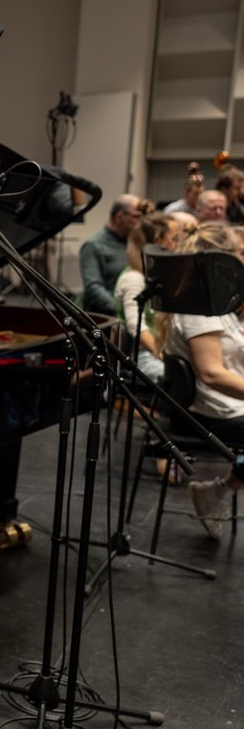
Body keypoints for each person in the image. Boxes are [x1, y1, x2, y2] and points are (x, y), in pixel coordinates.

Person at [156, 223, 244, 540]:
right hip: (208, 412)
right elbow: (211, 373)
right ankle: (219, 491)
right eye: (240, 252)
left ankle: (218, 491)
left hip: (223, 404)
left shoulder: (213, 300)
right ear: (221, 258)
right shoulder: (198, 309)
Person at [114, 214, 174, 383]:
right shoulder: (134, 278)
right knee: (186, 379)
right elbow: (136, 326)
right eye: (173, 240)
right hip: (143, 356)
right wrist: (165, 357)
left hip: (163, 349)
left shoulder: (153, 276)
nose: (176, 246)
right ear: (156, 245)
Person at [79, 193, 141, 316]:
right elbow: (93, 288)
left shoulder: (134, 243)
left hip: (132, 311)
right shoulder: (93, 245)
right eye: (136, 217)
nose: (140, 222)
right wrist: (121, 311)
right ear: (119, 217)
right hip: (108, 316)